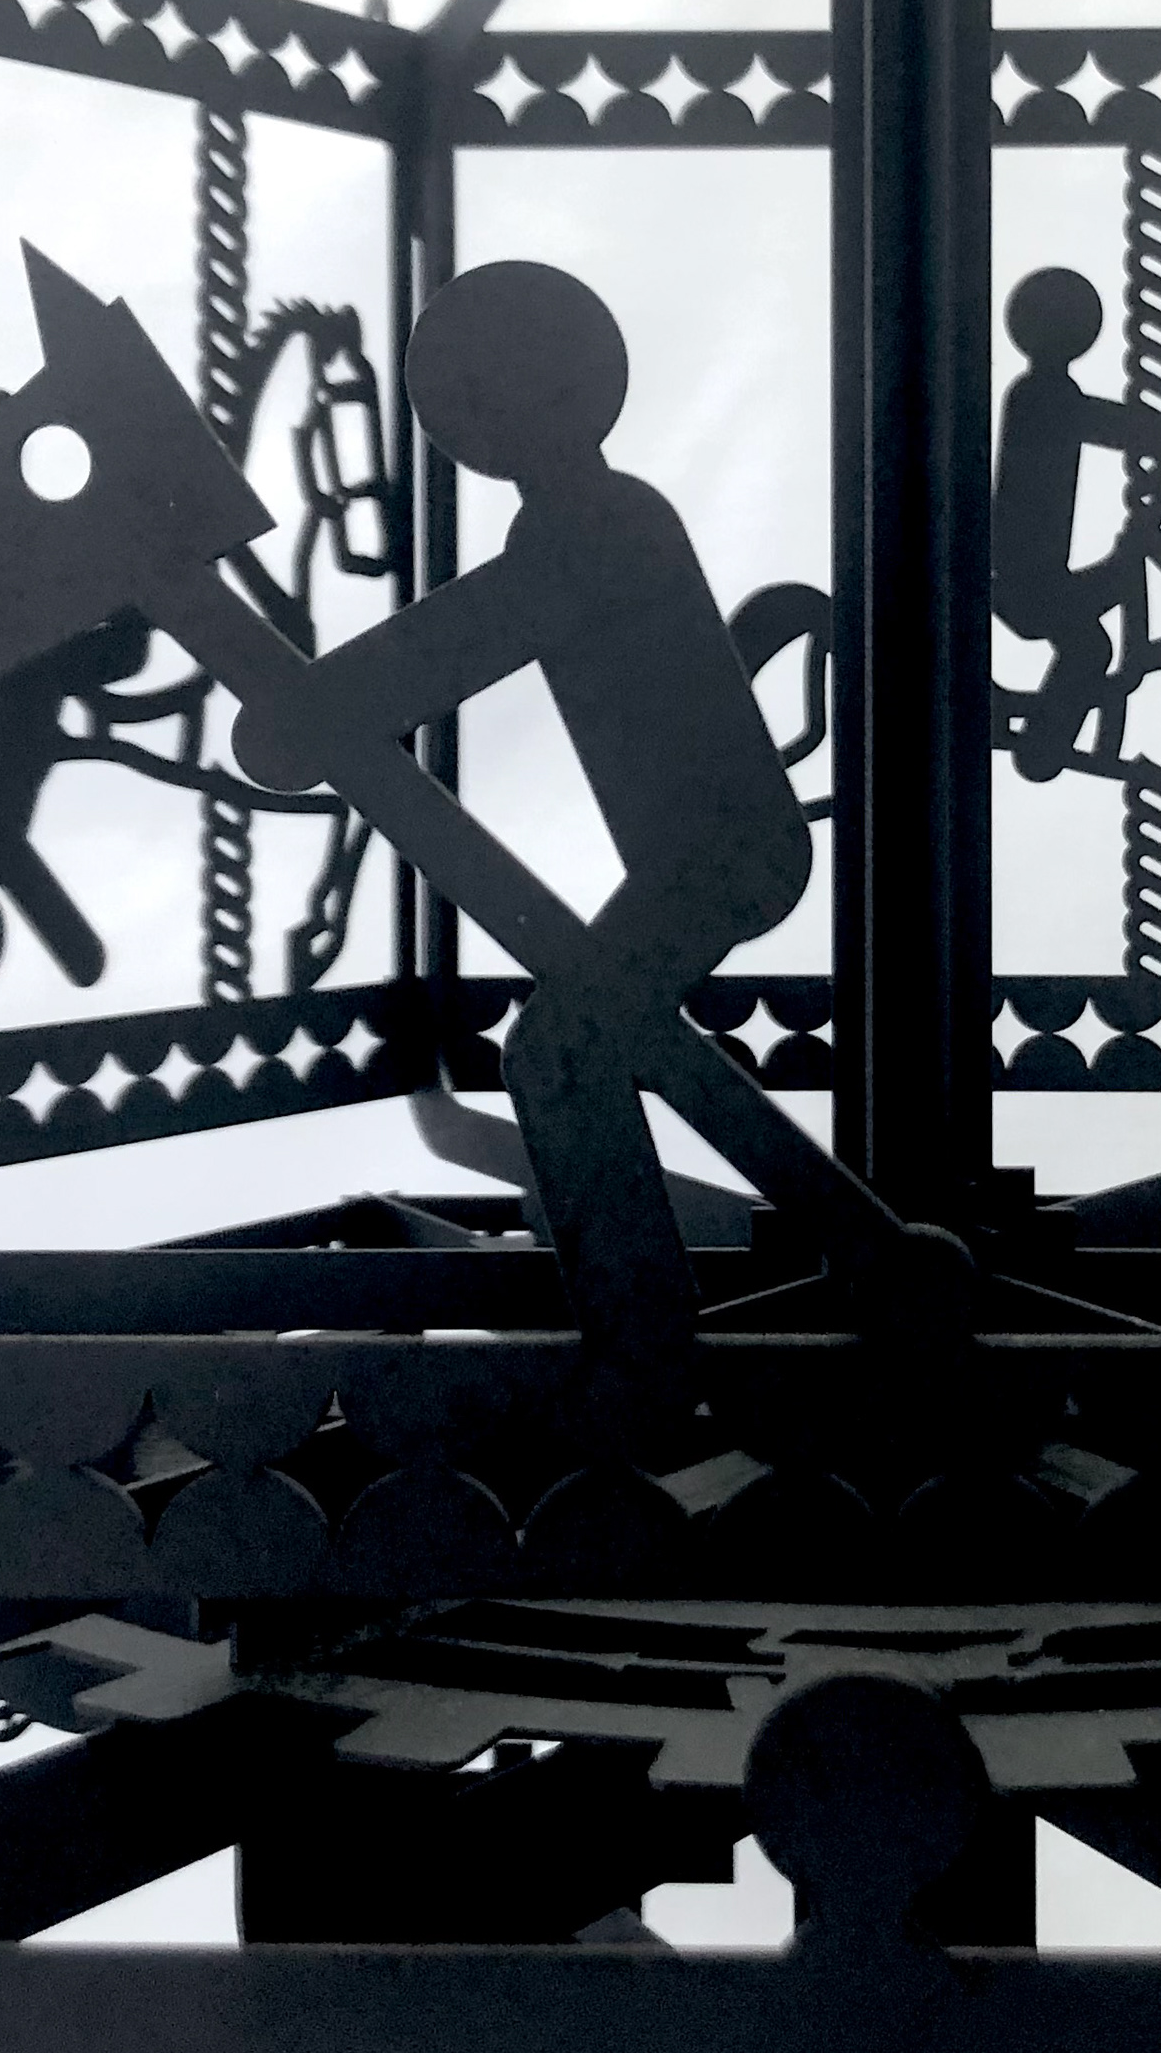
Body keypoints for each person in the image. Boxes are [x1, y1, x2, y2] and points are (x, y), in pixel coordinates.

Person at [229, 261, 806, 1427]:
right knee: (573, 1047)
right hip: (703, 853)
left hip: (720, 854)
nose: (472, 428)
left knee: (557, 1053)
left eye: (480, 402)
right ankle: (645, 1330)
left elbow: (466, 638)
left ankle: (645, 1350)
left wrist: (310, 712)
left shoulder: (595, 523)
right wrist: (317, 712)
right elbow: (461, 639)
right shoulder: (594, 513)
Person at [989, 265, 1161, 780]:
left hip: (1026, 574)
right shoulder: (1048, 397)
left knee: (1124, 577)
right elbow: (1112, 426)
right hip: (1027, 583)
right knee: (1089, 646)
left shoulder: (1033, 392)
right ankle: (1041, 748)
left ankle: (1086, 712)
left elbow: (1111, 425)